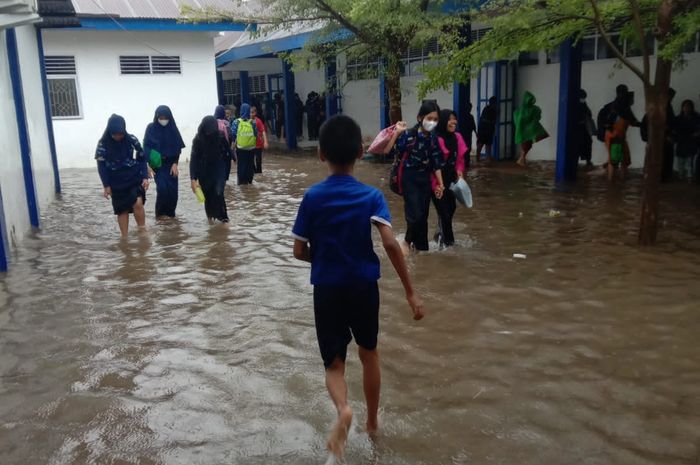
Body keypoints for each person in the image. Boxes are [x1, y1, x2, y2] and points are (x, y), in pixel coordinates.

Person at [291, 114, 424, 459]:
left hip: (328, 288)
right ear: (361, 152)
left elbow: (299, 250)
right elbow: (392, 245)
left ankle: (343, 411)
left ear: (321, 154)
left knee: (334, 364)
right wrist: (410, 292)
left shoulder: (313, 197)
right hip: (364, 286)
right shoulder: (371, 197)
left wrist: (323, 260)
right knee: (369, 353)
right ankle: (373, 425)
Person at [384, 101, 445, 252]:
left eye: (435, 120)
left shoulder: (433, 139)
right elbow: (387, 151)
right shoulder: (409, 135)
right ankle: (406, 241)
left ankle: (421, 249)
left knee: (423, 215)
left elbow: (436, 163)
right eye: (429, 118)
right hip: (408, 177)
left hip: (424, 178)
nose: (432, 122)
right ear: (420, 118)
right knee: (415, 214)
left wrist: (440, 184)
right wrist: (397, 133)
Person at [95, 114, 149, 237]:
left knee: (138, 203)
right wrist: (106, 185)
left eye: (120, 134)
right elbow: (101, 166)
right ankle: (124, 238)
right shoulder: (103, 144)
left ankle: (142, 230)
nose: (118, 137)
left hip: (133, 177)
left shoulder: (132, 140)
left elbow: (142, 157)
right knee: (122, 210)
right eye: (114, 134)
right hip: (116, 181)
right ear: (109, 132)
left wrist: (145, 176)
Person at [433, 109, 467, 247]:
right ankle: (448, 244)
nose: (454, 122)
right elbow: (433, 164)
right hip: (436, 181)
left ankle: (439, 235)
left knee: (451, 209)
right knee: (444, 212)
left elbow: (459, 158)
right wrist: (438, 184)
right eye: (450, 119)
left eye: (455, 119)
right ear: (443, 121)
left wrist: (459, 171)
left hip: (451, 180)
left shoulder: (457, 137)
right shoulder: (435, 139)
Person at [143, 105, 185, 219]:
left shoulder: (173, 129)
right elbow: (146, 147)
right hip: (157, 165)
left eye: (165, 117)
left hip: (171, 164)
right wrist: (147, 164)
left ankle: (171, 217)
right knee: (162, 189)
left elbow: (177, 148)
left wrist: (175, 163)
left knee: (173, 192)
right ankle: (160, 217)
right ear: (156, 117)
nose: (163, 120)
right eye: (160, 117)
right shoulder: (151, 128)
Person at [190, 116, 233, 223]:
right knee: (207, 196)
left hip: (218, 168)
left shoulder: (220, 136)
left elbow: (228, 152)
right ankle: (210, 220)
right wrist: (193, 179)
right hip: (204, 171)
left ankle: (224, 220)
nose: (210, 134)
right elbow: (194, 159)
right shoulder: (198, 140)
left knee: (219, 193)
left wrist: (228, 168)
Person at [641, 88, 676, 182]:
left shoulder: (667, 108)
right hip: (658, 139)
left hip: (664, 140)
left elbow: (671, 124)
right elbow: (649, 124)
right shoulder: (659, 108)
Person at [514, 91, 548, 166]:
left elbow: (536, 117)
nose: (531, 101)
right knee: (526, 145)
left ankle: (522, 159)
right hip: (525, 131)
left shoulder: (524, 110)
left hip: (526, 131)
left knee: (527, 145)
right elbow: (536, 118)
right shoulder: (523, 110)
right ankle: (521, 160)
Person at [232, 103, 258, 185]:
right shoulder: (252, 122)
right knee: (250, 164)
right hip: (251, 147)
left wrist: (234, 144)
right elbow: (256, 134)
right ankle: (249, 181)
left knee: (241, 164)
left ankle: (241, 182)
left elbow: (232, 134)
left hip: (240, 148)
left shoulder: (236, 122)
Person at [674, 99, 700, 180]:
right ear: (682, 108)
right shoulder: (678, 118)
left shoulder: (696, 117)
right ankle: (681, 175)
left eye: (688, 107)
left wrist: (697, 133)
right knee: (680, 161)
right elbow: (674, 129)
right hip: (681, 141)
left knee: (689, 161)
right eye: (685, 106)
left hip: (691, 141)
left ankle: (689, 176)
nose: (686, 108)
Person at [576, 89, 596, 168]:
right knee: (578, 145)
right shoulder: (576, 106)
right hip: (578, 130)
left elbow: (589, 114)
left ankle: (588, 160)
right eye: (582, 97)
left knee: (587, 143)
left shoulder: (584, 105)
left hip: (585, 129)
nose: (583, 99)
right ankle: (580, 161)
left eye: (584, 97)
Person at [214, 105, 234, 179]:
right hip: (225, 151)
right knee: (225, 174)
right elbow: (230, 137)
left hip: (215, 152)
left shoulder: (211, 122)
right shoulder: (226, 123)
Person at [476, 96, 498, 162]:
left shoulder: (494, 110)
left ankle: (488, 157)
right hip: (483, 129)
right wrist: (492, 122)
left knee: (488, 144)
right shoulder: (487, 109)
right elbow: (485, 119)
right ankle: (478, 158)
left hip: (489, 129)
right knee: (481, 143)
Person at [250, 105, 269, 174]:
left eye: (252, 112)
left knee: (258, 161)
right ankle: (255, 173)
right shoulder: (247, 122)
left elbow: (263, 131)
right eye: (250, 112)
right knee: (251, 161)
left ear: (255, 113)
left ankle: (259, 174)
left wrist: (265, 142)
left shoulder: (258, 121)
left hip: (258, 144)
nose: (251, 114)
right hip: (250, 144)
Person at [458, 102, 477, 169]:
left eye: (470, 108)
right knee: (464, 149)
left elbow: (473, 126)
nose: (470, 109)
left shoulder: (471, 116)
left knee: (468, 148)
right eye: (469, 108)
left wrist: (476, 133)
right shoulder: (462, 117)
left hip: (469, 135)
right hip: (463, 135)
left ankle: (467, 162)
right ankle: (464, 163)